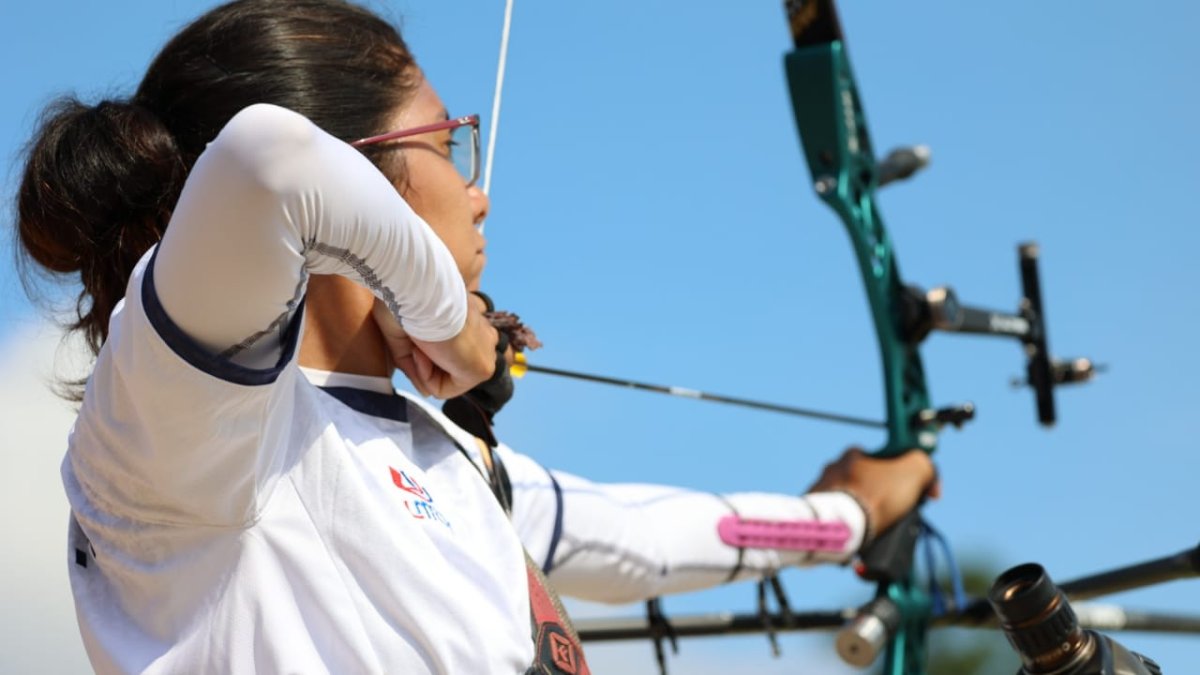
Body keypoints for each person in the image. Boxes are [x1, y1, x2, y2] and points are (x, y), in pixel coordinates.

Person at [13, 1, 937, 673]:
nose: (477, 190)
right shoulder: (174, 441)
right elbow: (267, 161)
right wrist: (447, 322)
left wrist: (850, 512)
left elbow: (650, 538)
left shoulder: (453, 461)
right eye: (449, 145)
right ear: (357, 165)